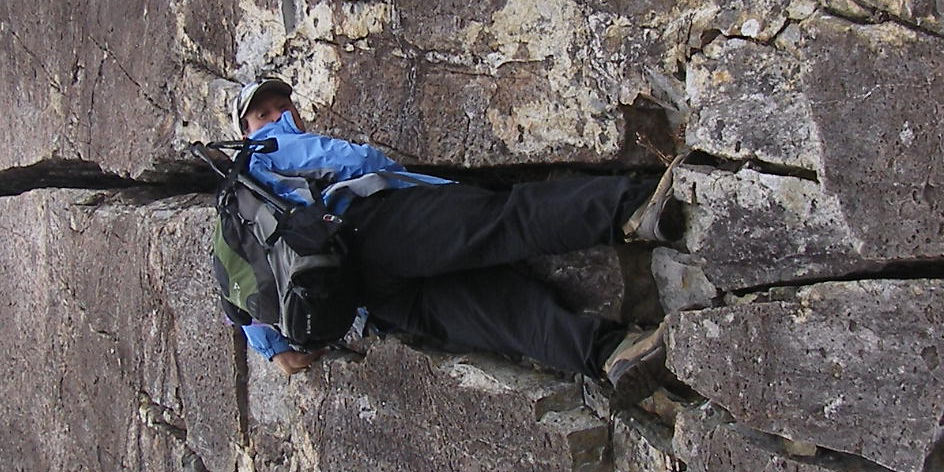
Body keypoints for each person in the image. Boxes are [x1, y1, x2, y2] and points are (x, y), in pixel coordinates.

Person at [222, 76, 676, 385]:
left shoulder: (237, 211)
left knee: (500, 316)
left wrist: (273, 347)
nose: (277, 115)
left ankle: (610, 354)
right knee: (504, 219)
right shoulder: (269, 148)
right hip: (374, 229)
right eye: (261, 114)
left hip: (368, 300)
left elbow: (234, 286)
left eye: (282, 106)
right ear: (245, 133)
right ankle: (633, 209)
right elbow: (356, 163)